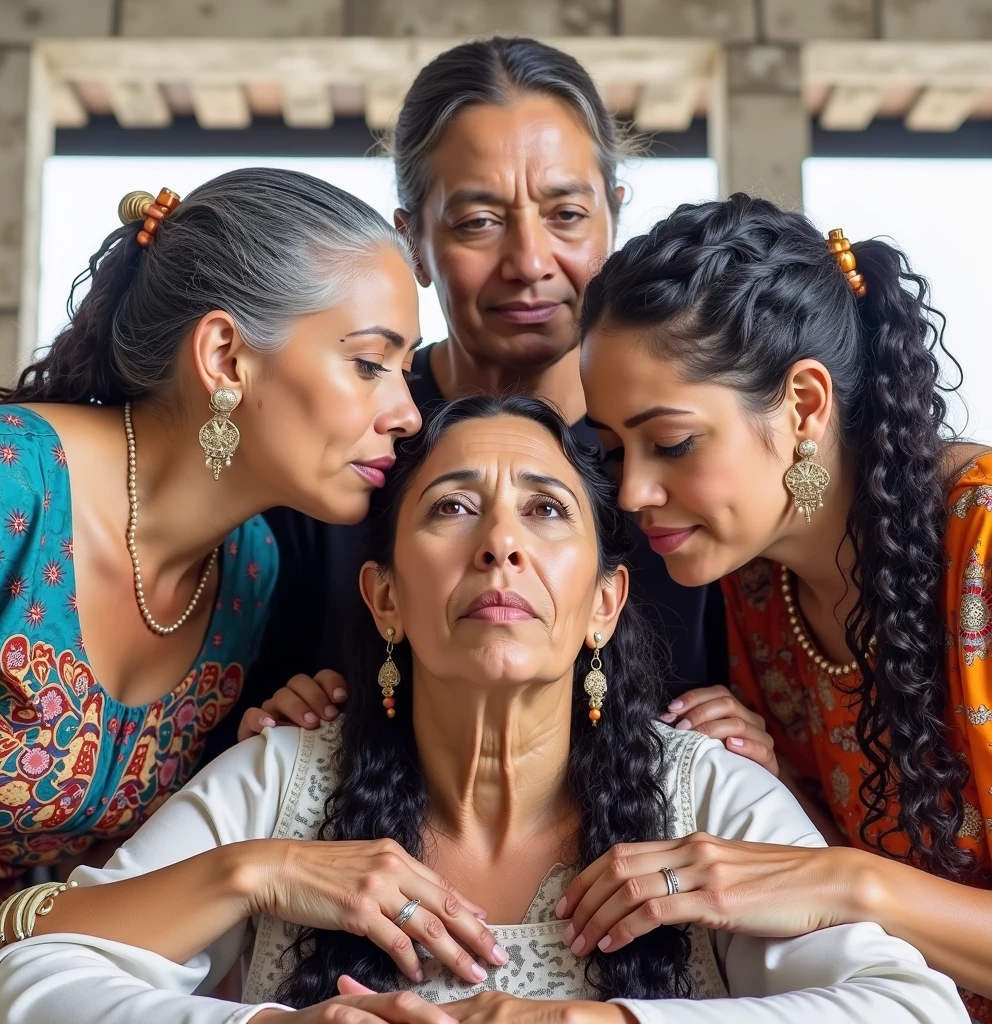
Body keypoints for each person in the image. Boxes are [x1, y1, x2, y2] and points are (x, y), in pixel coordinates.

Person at [0, 395, 968, 1024]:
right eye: (450, 506)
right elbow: (23, 978)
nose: (499, 543)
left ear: (605, 605)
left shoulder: (705, 795)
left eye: (544, 508)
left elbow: (910, 1005)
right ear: (386, 598)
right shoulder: (282, 781)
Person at [207, 37, 721, 755]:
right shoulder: (328, 448)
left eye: (566, 214)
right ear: (412, 239)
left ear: (616, 213)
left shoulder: (691, 449)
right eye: (478, 221)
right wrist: (271, 722)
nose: (530, 261)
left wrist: (752, 748)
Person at [0, 168, 422, 929]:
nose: (406, 413)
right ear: (224, 356)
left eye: (405, 371)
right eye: (370, 364)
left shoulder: (248, 571)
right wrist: (251, 871)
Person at [577, 193, 992, 1019]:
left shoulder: (980, 547)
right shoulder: (751, 581)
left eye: (674, 443)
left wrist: (844, 877)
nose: (633, 490)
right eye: (614, 449)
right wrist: (772, 795)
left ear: (804, 404)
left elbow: (832, 891)